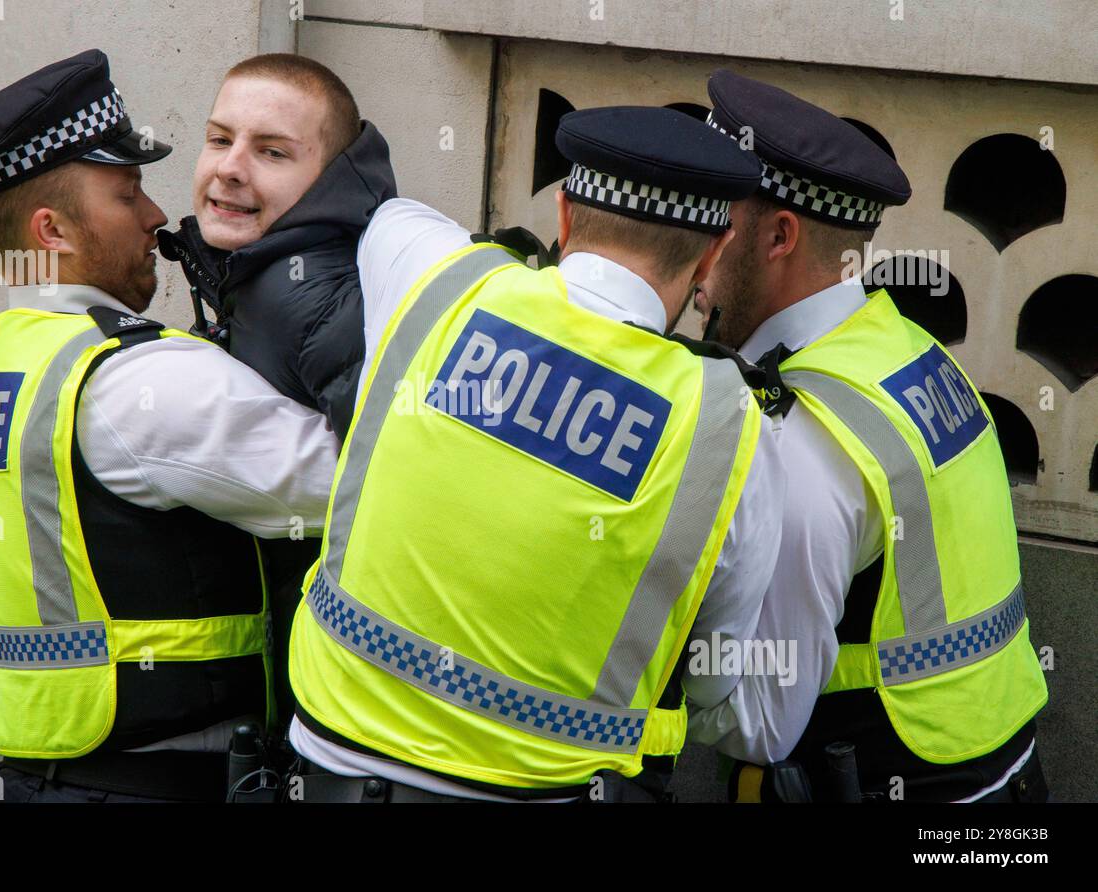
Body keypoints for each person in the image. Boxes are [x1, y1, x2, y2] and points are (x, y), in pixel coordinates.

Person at [285, 106, 787, 802]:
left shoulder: (434, 276)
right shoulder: (732, 426)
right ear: (714, 253)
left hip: (330, 769)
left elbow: (391, 214)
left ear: (563, 213)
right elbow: (714, 677)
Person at [0, 49, 338, 802]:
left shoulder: (9, 363)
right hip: (158, 781)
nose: (155, 217)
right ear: (53, 231)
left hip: (49, 778)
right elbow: (359, 483)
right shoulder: (141, 381)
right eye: (127, 193)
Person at [688, 70, 1049, 802]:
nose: (690, 241)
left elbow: (760, 723)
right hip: (1000, 772)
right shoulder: (907, 348)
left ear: (780, 236)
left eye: (711, 218)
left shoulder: (803, 434)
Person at [157, 54, 397, 718]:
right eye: (219, 138)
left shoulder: (314, 293)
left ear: (328, 179)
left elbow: (406, 481)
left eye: (272, 152)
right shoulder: (263, 270)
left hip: (342, 683)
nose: (231, 167)